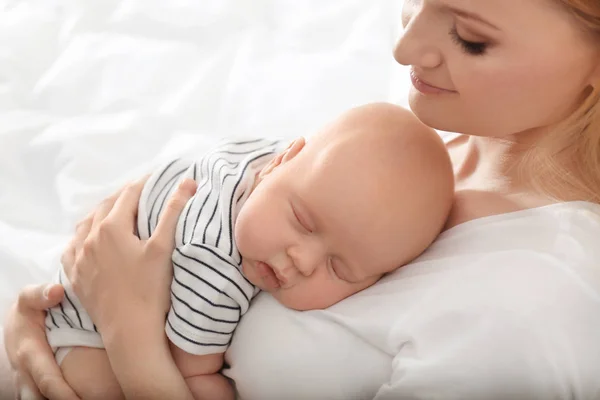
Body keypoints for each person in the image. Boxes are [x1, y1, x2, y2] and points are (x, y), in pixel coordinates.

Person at [4, 0, 600, 399]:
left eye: (470, 39)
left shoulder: (537, 304)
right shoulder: (462, 134)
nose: (404, 49)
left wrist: (129, 333)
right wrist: (66, 302)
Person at [41, 103, 454, 399]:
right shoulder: (214, 264)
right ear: (281, 161)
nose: (301, 260)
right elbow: (187, 366)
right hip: (80, 324)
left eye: (339, 268)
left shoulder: (271, 164)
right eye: (304, 222)